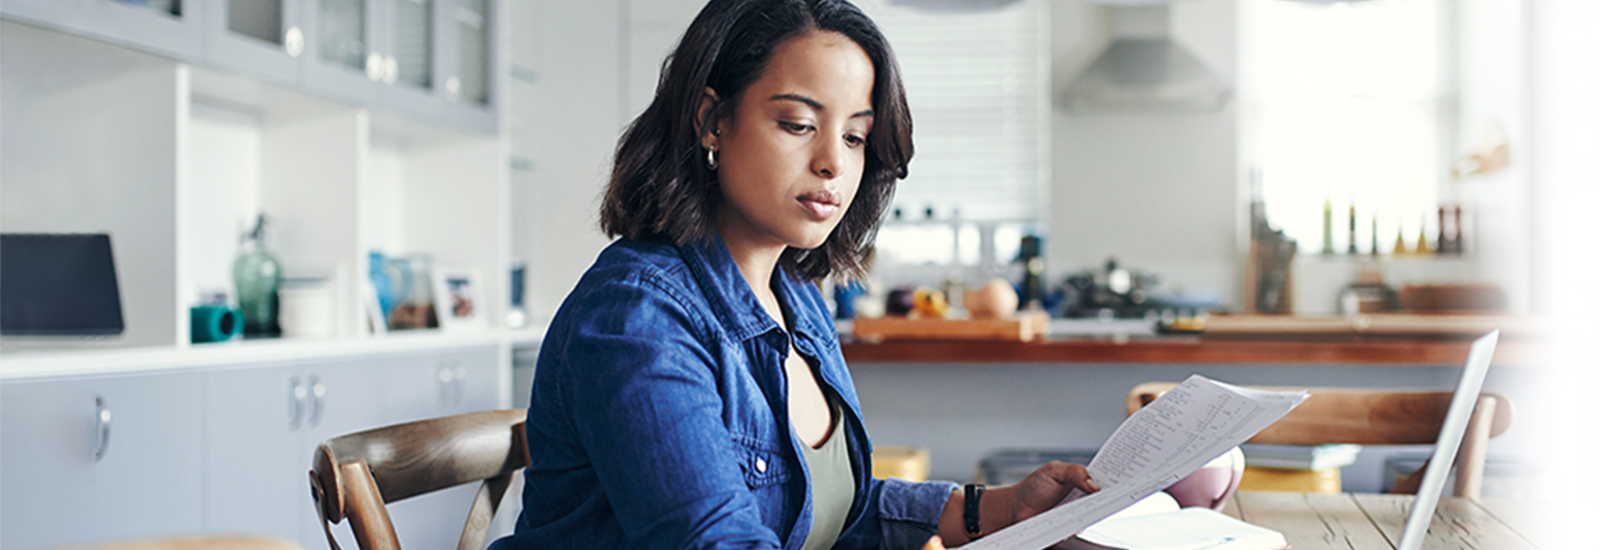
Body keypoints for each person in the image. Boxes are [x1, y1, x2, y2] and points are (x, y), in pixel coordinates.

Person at [489, 1, 1098, 549]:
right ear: (712, 121)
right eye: (798, 124)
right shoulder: (637, 317)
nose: (834, 161)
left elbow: (839, 513)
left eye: (855, 136)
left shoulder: (797, 299)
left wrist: (1001, 509)